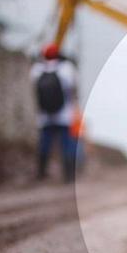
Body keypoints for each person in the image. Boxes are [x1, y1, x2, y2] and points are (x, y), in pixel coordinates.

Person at [30, 43, 79, 182]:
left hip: (45, 116)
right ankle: (68, 176)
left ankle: (41, 173)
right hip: (64, 116)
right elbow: (73, 87)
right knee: (66, 145)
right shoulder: (67, 68)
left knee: (44, 144)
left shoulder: (37, 69)